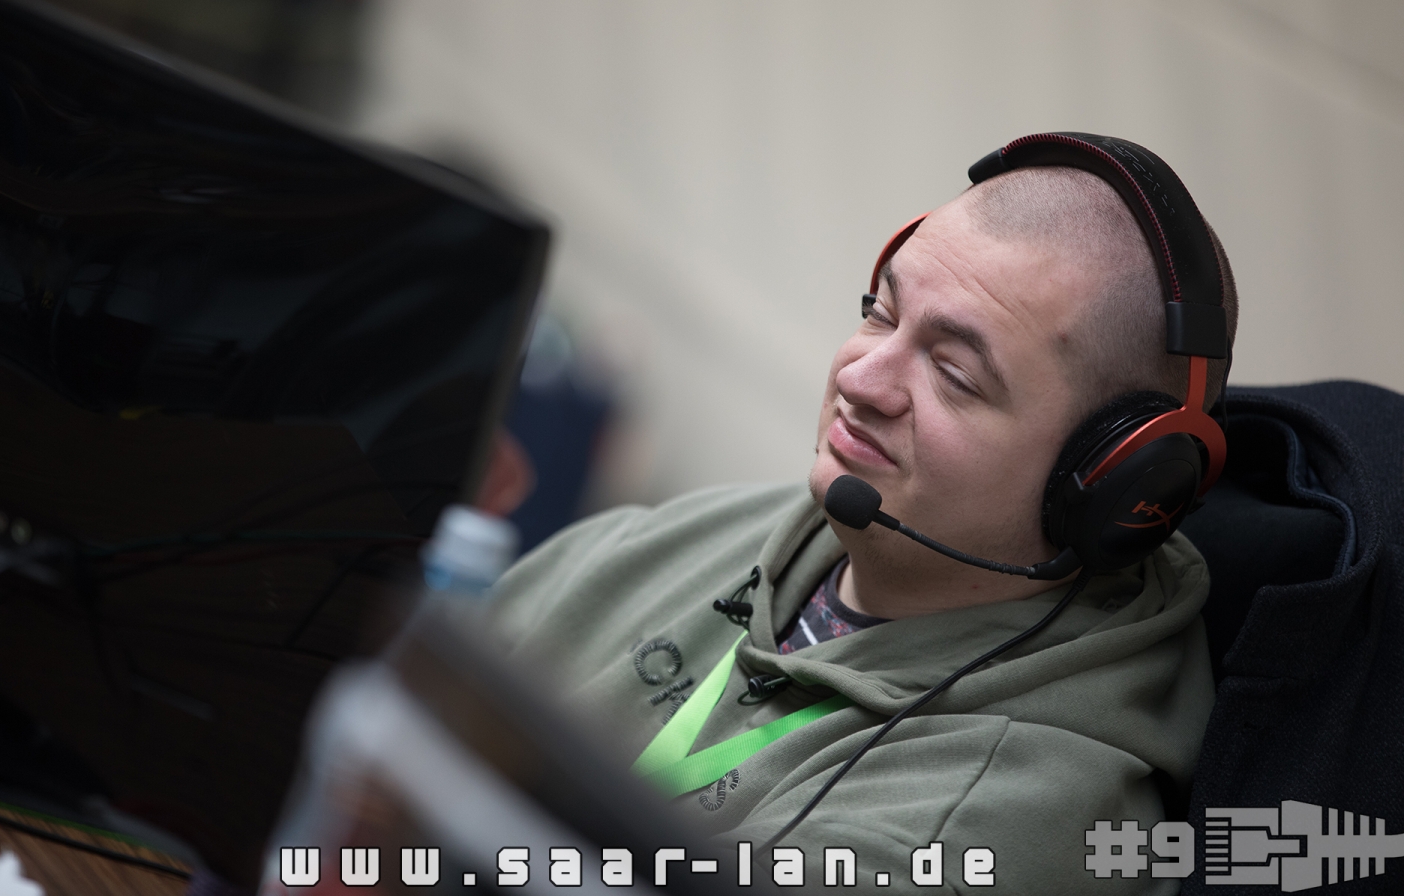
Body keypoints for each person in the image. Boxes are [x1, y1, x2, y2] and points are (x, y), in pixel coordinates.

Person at [487, 134, 1235, 892]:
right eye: (881, 312)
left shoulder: (978, 833)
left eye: (954, 373)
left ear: (1108, 484)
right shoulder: (700, 537)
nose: (860, 378)